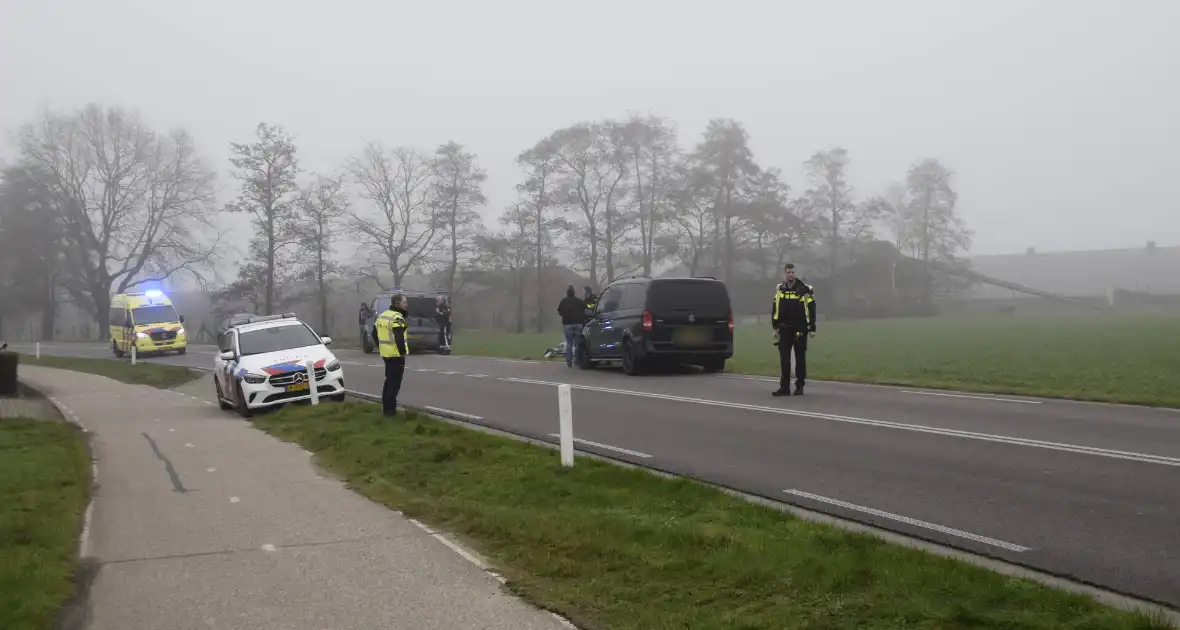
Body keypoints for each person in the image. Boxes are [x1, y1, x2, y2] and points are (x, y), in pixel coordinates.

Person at [771, 263, 816, 397]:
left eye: (792, 272)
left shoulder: (805, 289)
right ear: (784, 273)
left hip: (800, 328)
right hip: (784, 329)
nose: (790, 274)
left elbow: (811, 309)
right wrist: (775, 327)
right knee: (784, 359)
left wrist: (812, 327)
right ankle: (784, 387)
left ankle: (799, 386)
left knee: (800, 358)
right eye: (788, 272)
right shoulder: (780, 289)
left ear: (795, 273)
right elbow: (775, 309)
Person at [372, 294, 409, 416]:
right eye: (404, 302)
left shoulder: (382, 315)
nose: (406, 304)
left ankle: (386, 407)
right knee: (394, 384)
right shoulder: (397, 317)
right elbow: (399, 336)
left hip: (386, 355)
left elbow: (373, 333)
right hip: (396, 355)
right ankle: (390, 411)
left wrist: (380, 346)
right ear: (397, 304)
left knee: (389, 381)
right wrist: (402, 352)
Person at [557, 285, 587, 368]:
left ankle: (569, 361)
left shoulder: (563, 302)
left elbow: (559, 311)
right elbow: (585, 310)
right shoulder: (579, 301)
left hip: (568, 324)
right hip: (578, 324)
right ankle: (577, 360)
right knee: (578, 343)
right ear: (574, 293)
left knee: (569, 343)